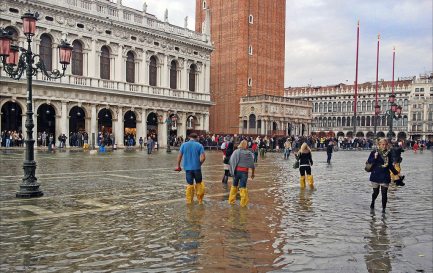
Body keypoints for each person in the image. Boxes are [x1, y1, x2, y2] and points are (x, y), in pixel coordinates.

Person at [367, 138, 400, 213]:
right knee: (376, 192)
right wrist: (375, 158)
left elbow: (390, 165)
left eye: (386, 144)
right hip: (375, 175)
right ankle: (373, 202)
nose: (384, 146)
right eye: (383, 144)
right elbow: (369, 161)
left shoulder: (389, 153)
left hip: (385, 175)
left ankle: (383, 210)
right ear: (379, 145)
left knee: (384, 193)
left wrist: (396, 173)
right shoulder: (374, 152)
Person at [176, 133, 206, 204]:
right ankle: (200, 201)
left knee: (190, 185)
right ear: (196, 138)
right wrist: (199, 164)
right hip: (197, 168)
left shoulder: (184, 145)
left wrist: (178, 166)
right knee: (199, 184)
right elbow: (203, 158)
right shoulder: (199, 145)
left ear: (189, 137)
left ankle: (189, 201)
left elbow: (179, 156)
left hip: (188, 169)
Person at [228, 140, 255, 207]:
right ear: (247, 145)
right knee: (243, 188)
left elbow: (231, 161)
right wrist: (252, 174)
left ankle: (231, 202)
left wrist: (231, 171)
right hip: (244, 173)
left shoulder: (236, 152)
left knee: (234, 186)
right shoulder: (249, 153)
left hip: (236, 172)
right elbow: (252, 165)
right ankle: (243, 205)